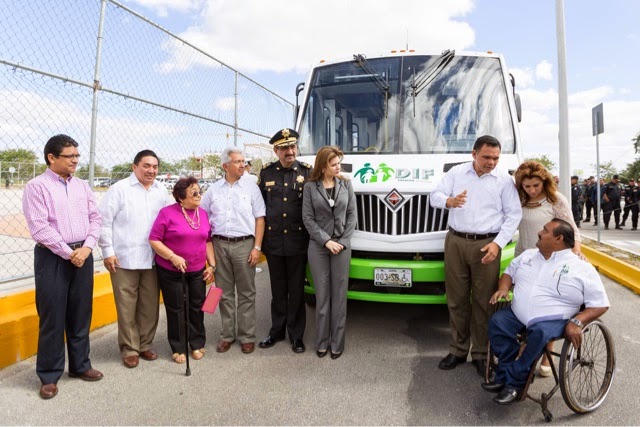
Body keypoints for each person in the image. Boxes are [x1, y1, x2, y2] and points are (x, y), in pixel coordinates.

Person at [483, 218, 610, 405]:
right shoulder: (528, 255)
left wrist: (578, 321)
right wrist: (503, 288)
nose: (539, 232)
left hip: (553, 319)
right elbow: (509, 272)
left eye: (545, 230)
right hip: (517, 314)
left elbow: (601, 303)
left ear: (558, 239)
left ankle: (515, 383)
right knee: (497, 322)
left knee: (539, 333)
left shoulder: (581, 267)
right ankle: (504, 373)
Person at [430, 135, 522, 376]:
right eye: (486, 157)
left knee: (483, 302)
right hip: (456, 242)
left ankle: (481, 353)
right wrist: (449, 201)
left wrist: (498, 244)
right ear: (474, 154)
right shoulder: (457, 173)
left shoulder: (504, 180)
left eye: (495, 158)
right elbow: (434, 196)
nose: (491, 162)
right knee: (457, 298)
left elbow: (514, 215)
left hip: (487, 245)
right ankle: (458, 350)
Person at [22, 134, 103, 400]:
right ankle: (49, 375)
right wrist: (70, 253)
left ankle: (80, 366)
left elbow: (95, 218)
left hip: (83, 253)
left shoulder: (82, 186)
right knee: (52, 316)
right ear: (51, 158)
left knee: (81, 314)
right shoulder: (37, 187)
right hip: (53, 257)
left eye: (77, 156)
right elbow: (40, 227)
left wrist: (88, 248)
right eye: (70, 156)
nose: (75, 161)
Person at [98, 150, 170, 368]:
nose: (151, 170)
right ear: (134, 167)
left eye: (155, 166)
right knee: (127, 306)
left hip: (153, 259)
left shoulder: (161, 190)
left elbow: (168, 222)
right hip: (123, 259)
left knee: (149, 306)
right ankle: (130, 348)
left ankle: (145, 344)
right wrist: (107, 251)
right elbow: (104, 222)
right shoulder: (119, 190)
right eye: (146, 166)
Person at [513, 161, 583, 377]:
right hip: (524, 256)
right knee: (524, 303)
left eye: (536, 185)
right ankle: (526, 350)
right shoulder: (518, 199)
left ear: (544, 182)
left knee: (547, 307)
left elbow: (571, 228)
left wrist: (575, 255)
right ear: (521, 186)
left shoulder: (555, 200)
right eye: (528, 186)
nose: (532, 190)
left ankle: (546, 356)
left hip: (551, 258)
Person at [201, 147, 265, 355]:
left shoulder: (251, 188)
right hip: (219, 245)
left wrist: (257, 247)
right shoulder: (213, 190)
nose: (242, 165)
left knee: (247, 292)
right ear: (225, 166)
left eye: (243, 161)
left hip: (245, 245)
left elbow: (260, 219)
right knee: (223, 292)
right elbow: (202, 215)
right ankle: (227, 335)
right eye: (237, 162)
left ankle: (247, 336)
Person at [149, 177, 215, 364]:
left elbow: (207, 240)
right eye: (193, 192)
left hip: (197, 270)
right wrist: (172, 256)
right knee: (176, 308)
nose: (198, 194)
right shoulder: (167, 213)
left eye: (199, 190)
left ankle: (196, 343)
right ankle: (178, 347)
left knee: (197, 306)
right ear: (180, 197)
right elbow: (154, 239)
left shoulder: (202, 213)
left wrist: (211, 265)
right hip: (171, 270)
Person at [258, 128, 312, 353]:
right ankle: (276, 331)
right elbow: (259, 206)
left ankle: (296, 335)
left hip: (298, 242)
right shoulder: (267, 173)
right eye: (284, 148)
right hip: (274, 242)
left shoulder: (307, 172)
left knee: (297, 291)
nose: (290, 151)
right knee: (278, 291)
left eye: (293, 147)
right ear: (276, 150)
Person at [302, 146, 356, 359]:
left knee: (339, 296)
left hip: (341, 247)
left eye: (339, 164)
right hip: (318, 248)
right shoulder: (310, 187)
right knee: (322, 296)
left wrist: (342, 242)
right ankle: (322, 341)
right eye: (334, 165)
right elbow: (308, 219)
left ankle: (337, 342)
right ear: (323, 167)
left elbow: (352, 216)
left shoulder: (346, 184)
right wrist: (326, 241)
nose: (338, 167)